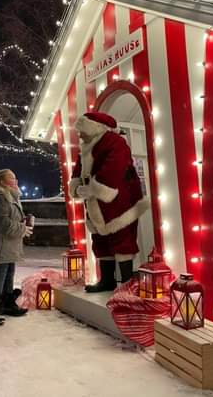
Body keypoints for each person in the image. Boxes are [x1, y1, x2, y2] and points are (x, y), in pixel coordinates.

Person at [69, 112, 150, 293]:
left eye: (82, 130)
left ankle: (127, 282)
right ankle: (107, 280)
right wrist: (75, 186)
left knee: (122, 237)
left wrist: (93, 188)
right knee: (99, 237)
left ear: (94, 128)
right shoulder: (87, 147)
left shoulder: (115, 142)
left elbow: (115, 167)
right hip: (95, 201)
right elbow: (78, 169)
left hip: (118, 199)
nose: (80, 135)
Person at [0, 169, 32, 325]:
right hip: (0, 244)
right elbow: (3, 224)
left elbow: (11, 218)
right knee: (0, 276)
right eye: (12, 178)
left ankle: (7, 304)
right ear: (2, 182)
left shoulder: (10, 197)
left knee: (8, 274)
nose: (15, 181)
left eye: (16, 178)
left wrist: (25, 221)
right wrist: (22, 228)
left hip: (9, 244)